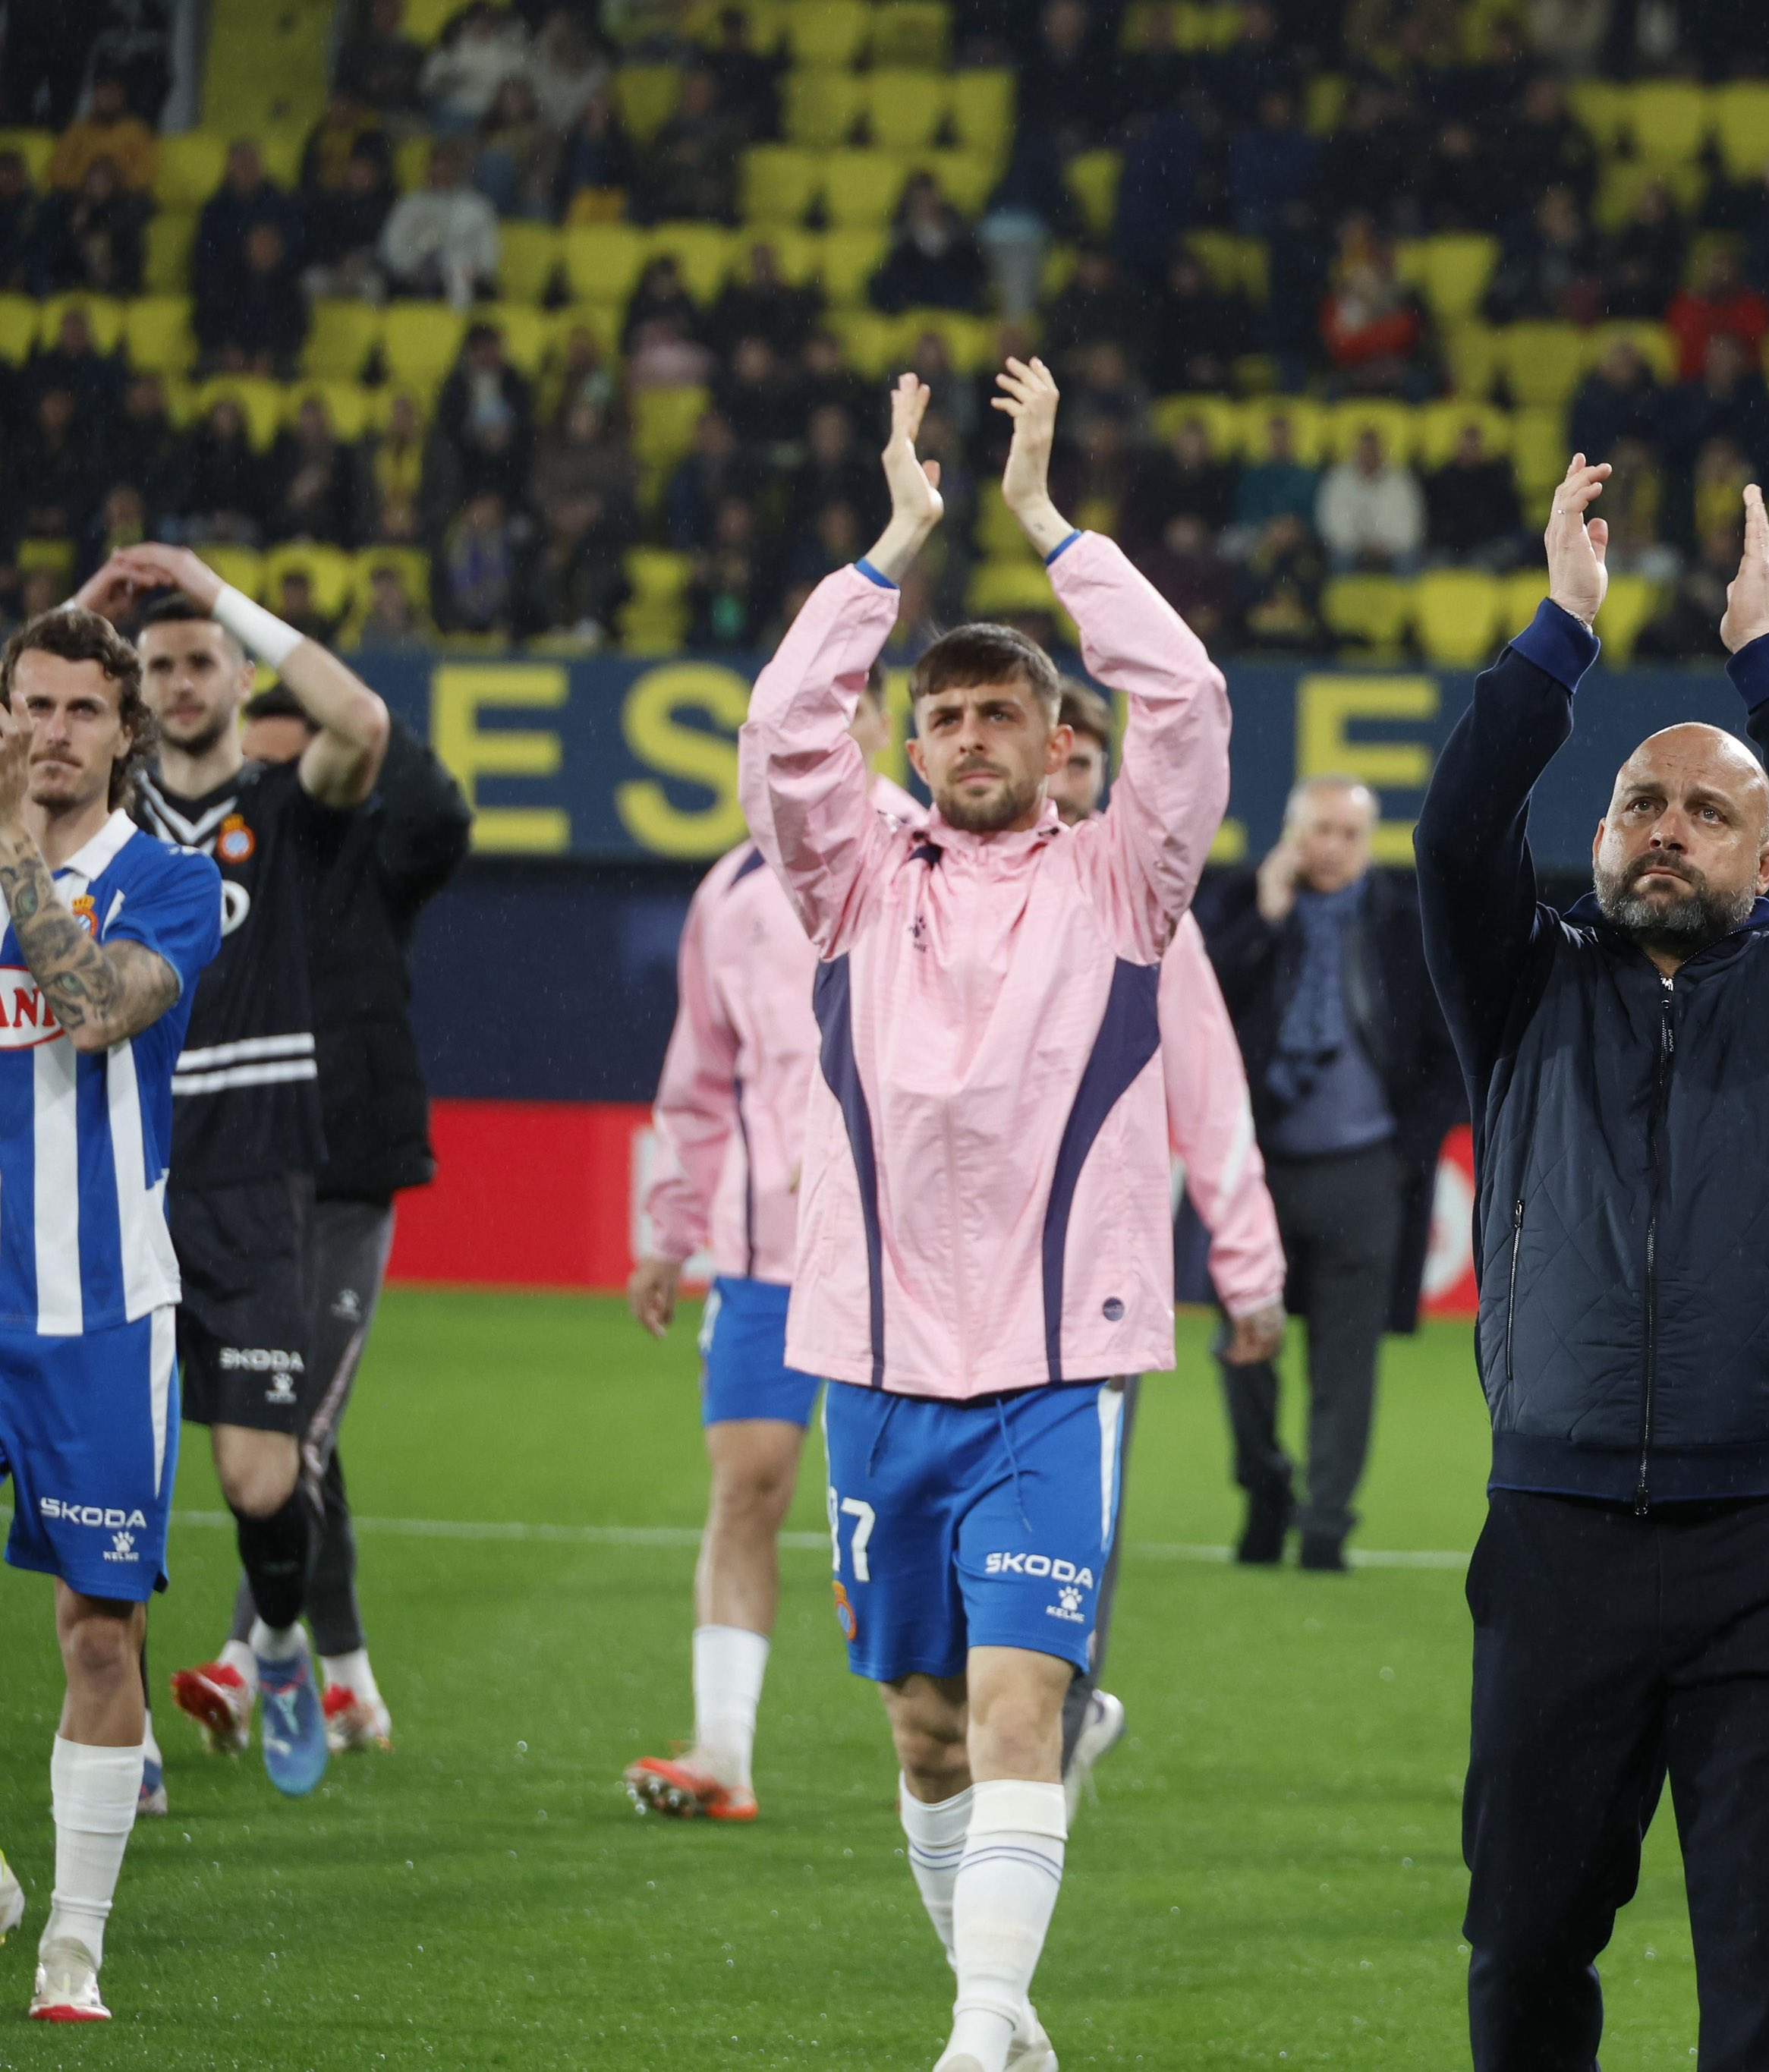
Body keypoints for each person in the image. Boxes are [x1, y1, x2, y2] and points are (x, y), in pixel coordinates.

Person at [738, 357, 1227, 2072]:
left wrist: (1048, 530)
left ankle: (966, 2042)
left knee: (1024, 1704)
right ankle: (1003, 2019)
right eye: (938, 716)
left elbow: (1193, 699)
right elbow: (782, 734)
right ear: (914, 741)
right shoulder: (849, 882)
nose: (965, 737)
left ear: (1050, 741)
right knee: (928, 1730)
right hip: (871, 1359)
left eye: (997, 714)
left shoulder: (1125, 884)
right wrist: (890, 552)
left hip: (1051, 1370)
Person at [1417, 462, 1769, 2070]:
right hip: (1556, 1535)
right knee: (1526, 1942)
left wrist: (1768, 659)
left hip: (1768, 1543)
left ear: (1763, 869)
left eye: (1710, 814)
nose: (1667, 832)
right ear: (1600, 835)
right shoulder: (1518, 987)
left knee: (1763, 1978)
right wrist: (1562, 628)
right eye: (1642, 804)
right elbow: (1451, 832)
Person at [67, 548, 390, 1809]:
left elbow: (361, 719)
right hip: (123, 1172)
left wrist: (213, 584)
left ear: (240, 673)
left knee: (262, 1482)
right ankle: (125, 1722)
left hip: (258, 1184)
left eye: (204, 659)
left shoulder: (289, 803)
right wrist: (81, 624)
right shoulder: (102, 820)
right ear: (135, 693)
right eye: (159, 666)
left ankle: (283, 1639)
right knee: (115, 1471)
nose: (184, 679)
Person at [620, 692, 915, 1825]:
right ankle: (726, 1751)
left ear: (882, 730)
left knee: (912, 1508)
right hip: (763, 1257)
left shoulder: (925, 853)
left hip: (906, 1259)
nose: (794, 753)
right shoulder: (731, 891)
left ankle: (971, 1738)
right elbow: (698, 1079)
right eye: (773, 735)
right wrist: (668, 1231)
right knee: (746, 1487)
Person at [0, 606, 221, 2021]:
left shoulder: (172, 883)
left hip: (97, 1314)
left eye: (80, 710)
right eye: (29, 706)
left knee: (98, 1627)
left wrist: (21, 852)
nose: (47, 733)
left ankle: (72, 1941)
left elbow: (87, 1006)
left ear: (126, 732)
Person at [1037, 682, 1285, 1774]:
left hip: (1087, 1278)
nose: (1065, 778)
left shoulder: (1138, 909)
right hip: (931, 1291)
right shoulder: (921, 887)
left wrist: (1248, 1264)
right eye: (1053, 754)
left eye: (1087, 761)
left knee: (1064, 1544)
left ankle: (1057, 1716)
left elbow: (1211, 1092)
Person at [217, 685, 471, 1756]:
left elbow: (443, 817)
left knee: (294, 1433)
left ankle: (243, 1661)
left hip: (348, 1171)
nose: (280, 795)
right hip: (241, 1176)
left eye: (298, 772)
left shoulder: (373, 862)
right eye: (257, 777)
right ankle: (354, 1683)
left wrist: (357, 710)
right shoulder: (217, 880)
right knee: (303, 1423)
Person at [1195, 776, 1455, 1570]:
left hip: (1364, 1173)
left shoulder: (1405, 925)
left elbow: (1447, 1054)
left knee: (1347, 1364)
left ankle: (1326, 1525)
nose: (1331, 846)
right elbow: (1199, 1009)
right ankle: (1265, 1485)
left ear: (1367, 838)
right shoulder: (1243, 908)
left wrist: (1405, 1156)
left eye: (1347, 831)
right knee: (1244, 1348)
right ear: (1289, 833)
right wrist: (1268, 917)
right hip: (1257, 1174)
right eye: (1318, 830)